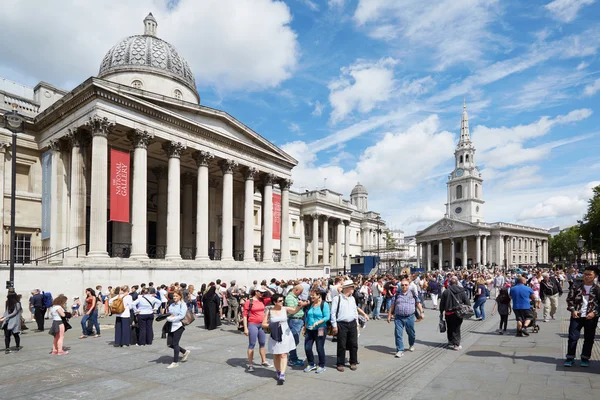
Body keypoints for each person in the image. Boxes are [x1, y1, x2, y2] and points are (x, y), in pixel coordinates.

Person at [264, 293, 303, 384]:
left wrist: (299, 305)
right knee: (276, 354)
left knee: (284, 354)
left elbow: (294, 311)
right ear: (274, 302)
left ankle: (282, 374)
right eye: (280, 301)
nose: (282, 302)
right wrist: (272, 325)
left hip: (285, 335)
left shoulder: (285, 309)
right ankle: (277, 371)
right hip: (275, 334)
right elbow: (263, 324)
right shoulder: (269, 311)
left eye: (282, 300)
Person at [564, 266, 598, 367]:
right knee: (573, 337)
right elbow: (569, 300)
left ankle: (585, 358)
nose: (586, 276)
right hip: (577, 315)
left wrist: (594, 313)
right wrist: (573, 310)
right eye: (585, 274)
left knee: (589, 338)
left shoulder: (597, 289)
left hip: (591, 317)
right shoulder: (576, 286)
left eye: (589, 275)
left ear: (595, 276)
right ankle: (570, 357)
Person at [387, 278, 424, 357]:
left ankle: (411, 344)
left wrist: (422, 312)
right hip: (398, 317)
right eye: (402, 285)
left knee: (411, 333)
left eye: (406, 285)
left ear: (409, 285)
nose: (404, 286)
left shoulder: (413, 294)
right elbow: (392, 305)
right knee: (398, 334)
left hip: (410, 317)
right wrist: (389, 315)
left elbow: (418, 303)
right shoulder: (397, 295)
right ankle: (400, 350)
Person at [330, 279, 360, 372]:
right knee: (342, 345)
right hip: (341, 324)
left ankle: (353, 362)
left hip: (352, 323)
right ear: (347, 288)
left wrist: (357, 323)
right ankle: (340, 363)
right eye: (352, 287)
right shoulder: (337, 298)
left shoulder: (352, 298)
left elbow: (355, 311)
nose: (353, 289)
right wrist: (334, 325)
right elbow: (333, 313)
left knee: (354, 344)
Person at [243, 286, 273, 372]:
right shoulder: (249, 302)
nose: (262, 294)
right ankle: (250, 364)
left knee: (262, 343)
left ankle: (264, 361)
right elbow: (244, 315)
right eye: (260, 292)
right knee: (252, 344)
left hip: (261, 325)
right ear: (256, 292)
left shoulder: (262, 300)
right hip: (253, 324)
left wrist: (267, 289)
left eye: (263, 292)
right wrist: (245, 328)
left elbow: (275, 297)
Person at [439, 277, 471, 350]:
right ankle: (456, 344)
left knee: (449, 327)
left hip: (448, 313)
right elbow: (467, 302)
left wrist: (441, 312)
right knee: (456, 328)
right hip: (458, 313)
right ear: (457, 283)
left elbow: (442, 303)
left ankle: (450, 340)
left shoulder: (446, 292)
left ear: (450, 284)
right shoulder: (461, 291)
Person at [304, 288, 330, 374]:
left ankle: (321, 365)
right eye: (310, 295)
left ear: (318, 295)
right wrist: (305, 327)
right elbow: (307, 317)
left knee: (319, 347)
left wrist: (317, 322)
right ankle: (311, 364)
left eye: (313, 295)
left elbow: (327, 317)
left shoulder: (324, 304)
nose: (311, 297)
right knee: (307, 347)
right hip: (309, 329)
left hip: (320, 328)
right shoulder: (311, 304)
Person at [285, 284, 310, 367]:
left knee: (295, 340)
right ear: (296, 290)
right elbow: (292, 310)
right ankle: (292, 359)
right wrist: (301, 304)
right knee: (294, 340)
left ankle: (293, 357)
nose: (301, 294)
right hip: (294, 320)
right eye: (300, 292)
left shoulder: (295, 297)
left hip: (298, 320)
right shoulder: (289, 298)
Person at [165, 289, 191, 369]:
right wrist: (170, 317)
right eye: (174, 296)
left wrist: (172, 318)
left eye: (176, 296)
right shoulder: (172, 304)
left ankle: (175, 362)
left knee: (175, 344)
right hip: (171, 325)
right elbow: (169, 313)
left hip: (179, 326)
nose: (175, 297)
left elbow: (181, 316)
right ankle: (185, 351)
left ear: (180, 296)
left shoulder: (182, 304)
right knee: (170, 344)